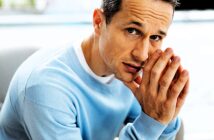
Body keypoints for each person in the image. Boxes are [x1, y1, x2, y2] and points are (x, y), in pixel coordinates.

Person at [0, 0, 190, 139]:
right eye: (132, 31)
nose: (142, 54)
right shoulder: (46, 88)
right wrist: (151, 120)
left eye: (155, 37)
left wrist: (165, 112)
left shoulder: (126, 69)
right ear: (99, 22)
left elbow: (158, 134)